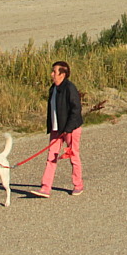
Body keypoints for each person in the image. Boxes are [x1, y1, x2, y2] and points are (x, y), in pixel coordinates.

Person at [33, 59, 84, 197]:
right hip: (56, 129)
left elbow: (76, 109)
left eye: (54, 72)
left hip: (70, 129)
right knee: (51, 157)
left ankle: (78, 184)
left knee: (73, 156)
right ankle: (45, 187)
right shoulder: (53, 88)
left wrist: (68, 128)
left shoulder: (69, 88)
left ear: (63, 74)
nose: (52, 74)